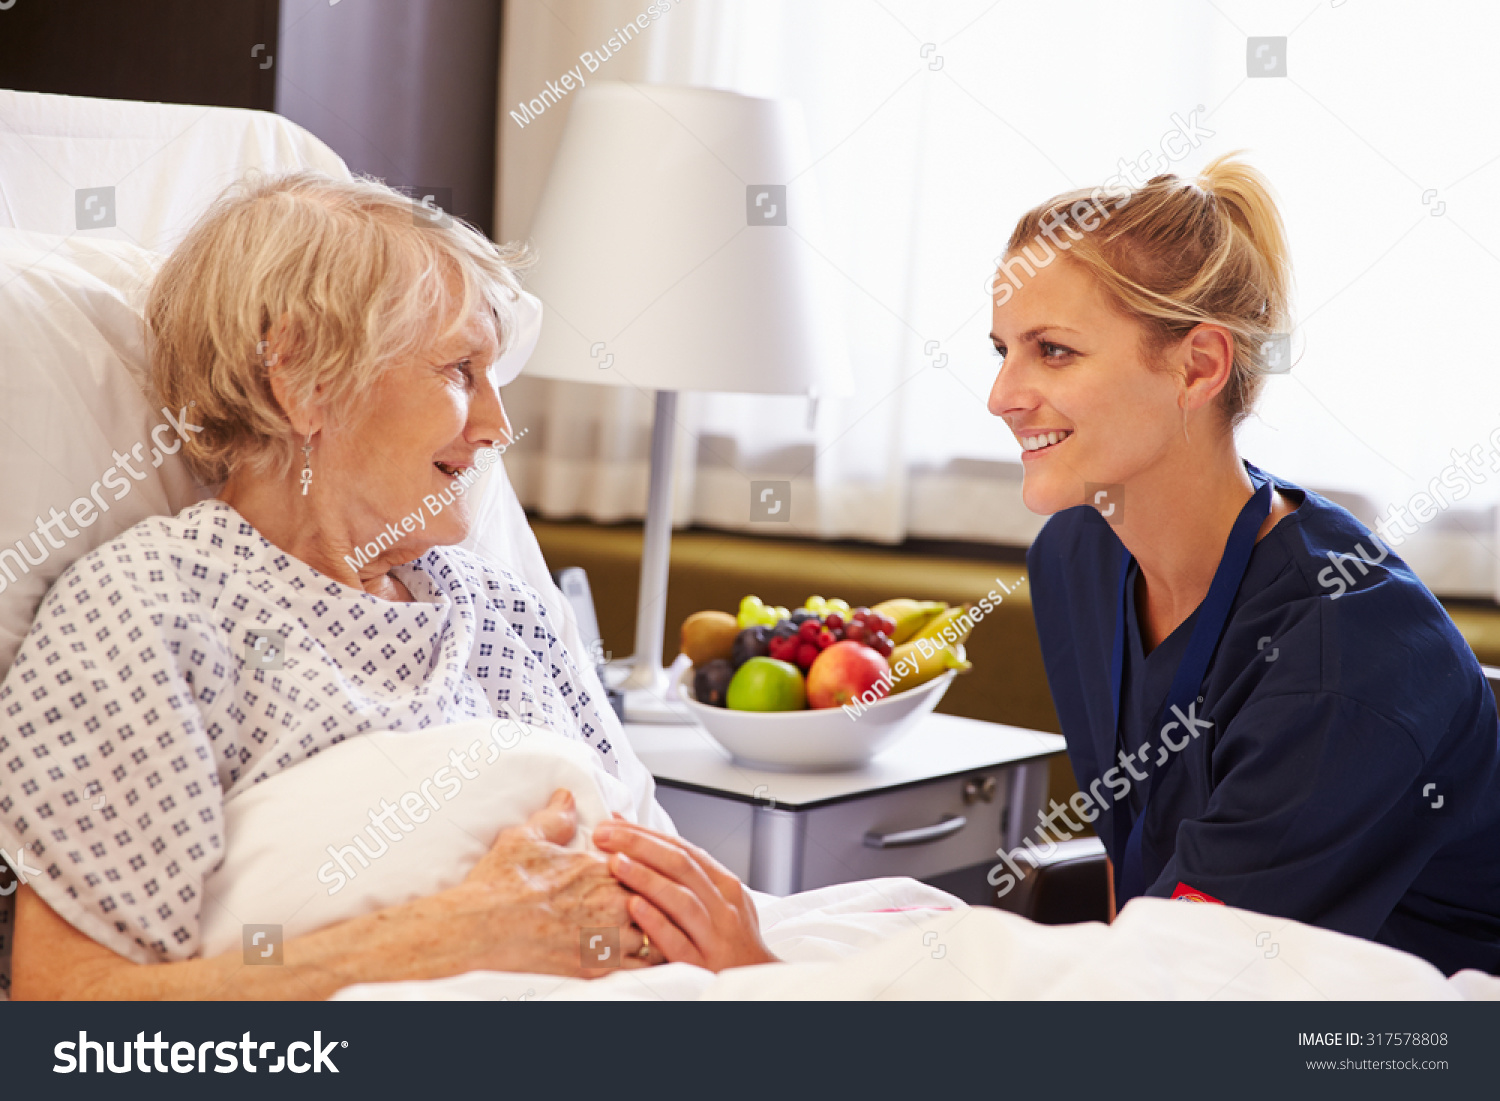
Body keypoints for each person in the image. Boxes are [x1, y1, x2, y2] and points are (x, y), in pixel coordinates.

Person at [0, 172, 773, 999]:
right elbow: (62, 1013)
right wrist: (438, 942)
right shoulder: (149, 610)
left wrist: (749, 963)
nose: (497, 428)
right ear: (298, 378)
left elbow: (656, 876)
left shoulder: (504, 610)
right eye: (460, 370)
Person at [989, 155, 1500, 976]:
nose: (1002, 394)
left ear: (1199, 365)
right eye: (1002, 349)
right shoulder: (1076, 558)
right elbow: (1142, 869)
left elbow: (1190, 982)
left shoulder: (1344, 646)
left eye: (1052, 351)